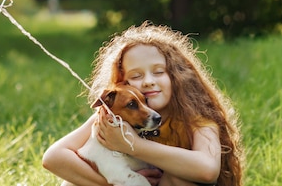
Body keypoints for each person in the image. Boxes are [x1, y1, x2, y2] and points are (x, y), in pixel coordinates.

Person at [42, 21, 243, 186]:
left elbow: (207, 171)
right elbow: (53, 158)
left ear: (177, 75)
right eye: (136, 75)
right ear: (123, 82)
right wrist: (114, 182)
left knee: (181, 179)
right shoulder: (111, 117)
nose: (148, 81)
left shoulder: (196, 119)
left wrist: (134, 146)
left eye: (158, 72)